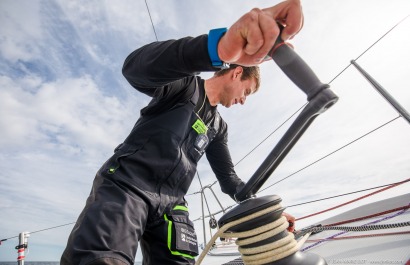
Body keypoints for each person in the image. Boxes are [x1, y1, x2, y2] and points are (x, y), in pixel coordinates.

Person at [61, 0, 304, 264]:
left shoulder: (218, 127)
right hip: (128, 185)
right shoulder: (183, 86)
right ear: (236, 73)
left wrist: (267, 215)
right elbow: (135, 70)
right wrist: (217, 49)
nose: (243, 101)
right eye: (246, 92)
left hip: (173, 205)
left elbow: (230, 181)